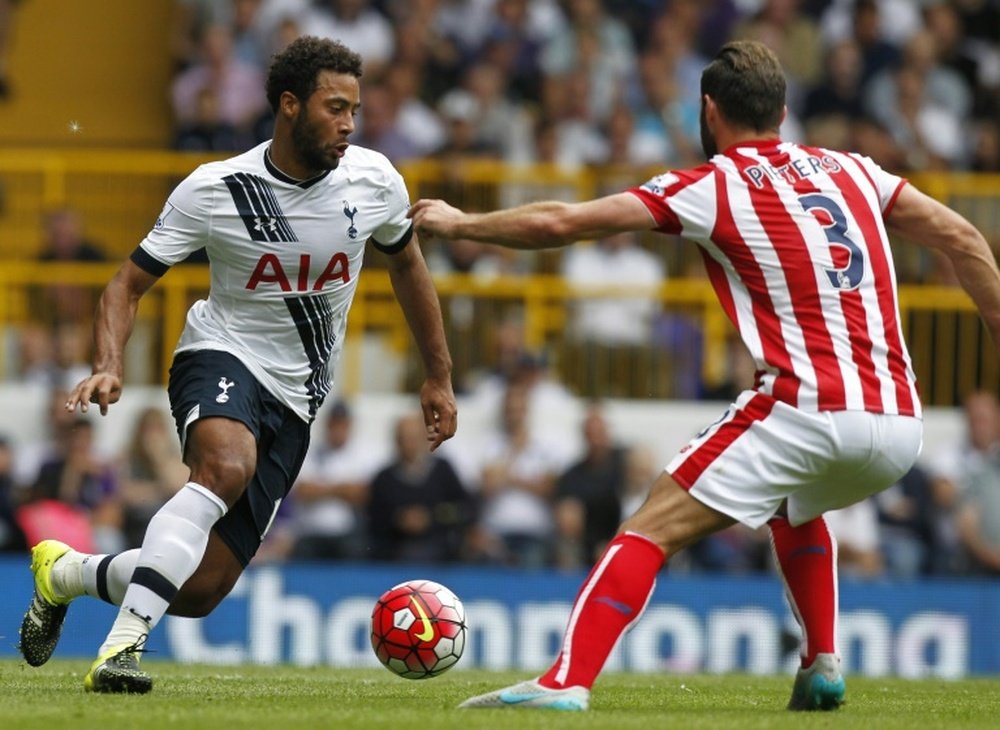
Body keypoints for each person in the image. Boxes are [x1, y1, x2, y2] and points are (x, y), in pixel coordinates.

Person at [409, 40, 1000, 712]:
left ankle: (564, 683)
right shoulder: (855, 171)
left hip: (806, 406)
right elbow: (967, 240)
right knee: (791, 503)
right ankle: (822, 663)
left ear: (708, 110)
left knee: (652, 524)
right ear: (782, 109)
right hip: (899, 424)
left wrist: (462, 223)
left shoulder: (713, 183)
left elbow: (561, 221)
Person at [18, 36, 457, 694]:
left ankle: (66, 574)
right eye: (334, 107)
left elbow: (408, 268)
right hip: (220, 353)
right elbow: (124, 286)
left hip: (299, 398)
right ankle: (120, 651)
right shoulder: (217, 189)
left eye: (354, 111)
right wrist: (107, 363)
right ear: (289, 105)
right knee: (224, 466)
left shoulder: (374, 182)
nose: (348, 124)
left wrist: (438, 374)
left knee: (198, 590)